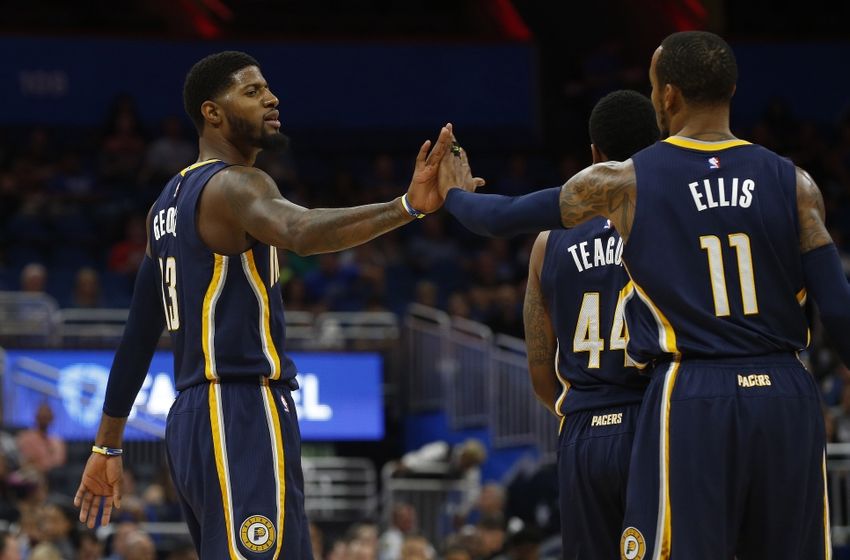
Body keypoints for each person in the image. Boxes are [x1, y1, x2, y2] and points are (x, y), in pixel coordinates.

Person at [442, 31, 850, 558]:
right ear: (732, 88)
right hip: (787, 389)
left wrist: (452, 194)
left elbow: (502, 217)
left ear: (669, 96)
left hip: (694, 388)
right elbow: (839, 311)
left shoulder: (627, 182)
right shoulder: (797, 185)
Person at [74, 50, 454, 559]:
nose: (272, 98)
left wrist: (107, 444)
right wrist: (406, 206)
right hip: (239, 407)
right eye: (251, 92)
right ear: (212, 112)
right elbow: (300, 231)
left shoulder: (165, 203)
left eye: (268, 89)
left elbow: (140, 335)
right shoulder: (235, 184)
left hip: (192, 417)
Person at [447, 90, 658, 558]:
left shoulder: (548, 243)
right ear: (658, 144)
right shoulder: (667, 217)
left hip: (582, 429)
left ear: (594, 156)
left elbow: (542, 377)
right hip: (654, 421)